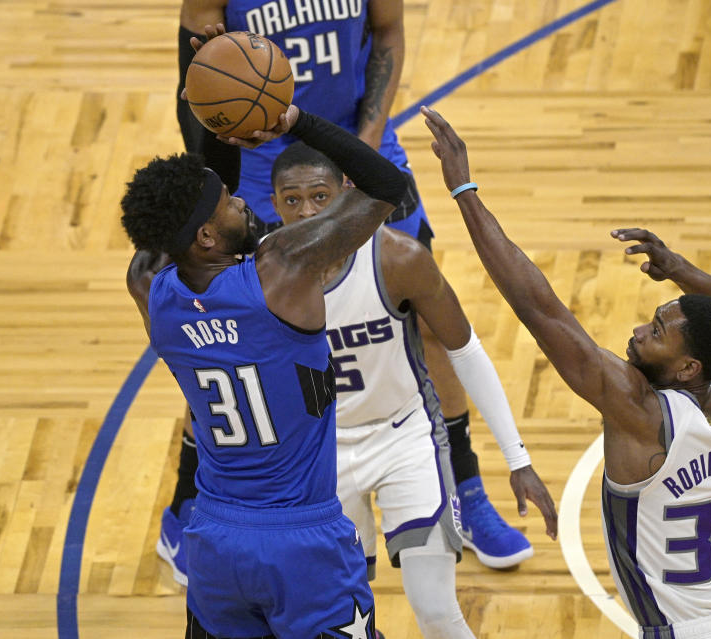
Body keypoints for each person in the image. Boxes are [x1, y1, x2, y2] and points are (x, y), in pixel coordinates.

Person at [162, 4, 537, 579]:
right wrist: (212, 75)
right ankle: (186, 503)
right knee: (227, 336)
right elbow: (195, 80)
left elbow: (388, 30)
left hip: (354, 145)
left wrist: (362, 140)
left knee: (429, 320)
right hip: (259, 169)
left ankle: (465, 489)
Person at [422, 107, 711, 639]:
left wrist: (464, 191)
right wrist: (679, 270)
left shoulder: (640, 413)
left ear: (687, 367)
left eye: (657, 333)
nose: (640, 331)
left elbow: (538, 307)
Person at [122, 104, 406, 638]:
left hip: (213, 538)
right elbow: (387, 183)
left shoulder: (150, 291)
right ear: (206, 237)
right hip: (301, 540)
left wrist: (217, 122)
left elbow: (180, 221)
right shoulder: (283, 269)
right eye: (230, 203)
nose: (242, 200)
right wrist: (296, 121)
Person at [267, 141, 557, 637]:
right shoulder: (262, 273)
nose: (307, 211)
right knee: (339, 621)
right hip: (319, 454)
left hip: (404, 438)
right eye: (291, 200)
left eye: (319, 195)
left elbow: (466, 351)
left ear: (346, 193)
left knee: (438, 613)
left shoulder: (396, 258)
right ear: (273, 204)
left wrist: (518, 458)